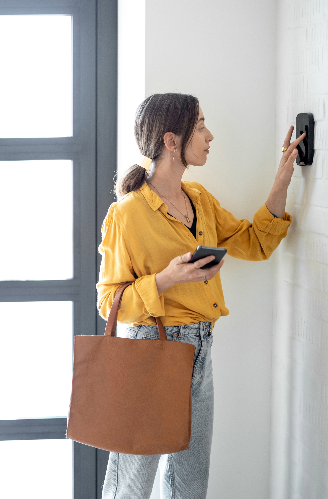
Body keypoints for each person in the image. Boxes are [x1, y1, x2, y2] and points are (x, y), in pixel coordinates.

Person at [97, 93, 305, 499]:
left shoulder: (199, 200)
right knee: (132, 485)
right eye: (200, 126)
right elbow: (109, 302)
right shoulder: (127, 214)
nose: (210, 135)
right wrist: (166, 279)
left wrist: (283, 178)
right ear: (172, 141)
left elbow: (254, 242)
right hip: (152, 353)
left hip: (201, 351)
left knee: (190, 484)